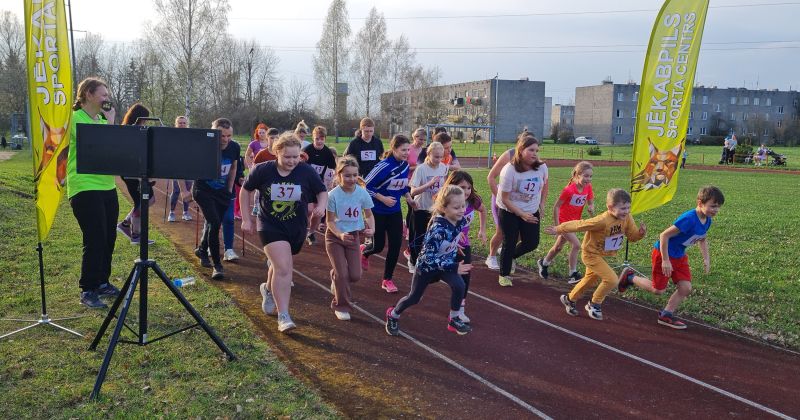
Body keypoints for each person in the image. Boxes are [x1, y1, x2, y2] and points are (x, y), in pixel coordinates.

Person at [240, 132, 327, 332]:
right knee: (284, 268)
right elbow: (245, 190)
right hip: (269, 225)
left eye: (295, 157)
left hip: (296, 226)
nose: (292, 161)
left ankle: (268, 289)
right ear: (277, 152)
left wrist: (321, 207)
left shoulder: (305, 171)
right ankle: (284, 316)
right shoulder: (263, 170)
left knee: (281, 265)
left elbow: (322, 191)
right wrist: (246, 218)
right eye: (287, 157)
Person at [618, 186, 724, 329]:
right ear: (700, 203)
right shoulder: (689, 219)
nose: (716, 210)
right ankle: (630, 278)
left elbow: (702, 239)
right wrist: (666, 260)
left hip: (680, 256)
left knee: (685, 288)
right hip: (664, 254)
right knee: (658, 290)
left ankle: (666, 314)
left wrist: (706, 258)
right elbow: (664, 235)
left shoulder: (707, 219)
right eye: (713, 206)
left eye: (718, 207)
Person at [384, 185, 473, 336]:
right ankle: (393, 314)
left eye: (463, 205)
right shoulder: (437, 229)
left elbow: (452, 236)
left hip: (445, 265)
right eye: (456, 207)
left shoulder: (460, 221)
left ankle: (454, 318)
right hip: (426, 268)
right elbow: (429, 258)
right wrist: (453, 266)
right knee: (414, 298)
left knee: (459, 285)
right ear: (444, 208)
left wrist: (455, 244)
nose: (462, 210)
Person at [545, 189, 646, 321]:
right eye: (622, 208)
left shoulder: (627, 218)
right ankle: (594, 304)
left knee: (590, 280)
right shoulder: (602, 221)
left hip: (600, 254)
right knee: (612, 279)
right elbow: (580, 224)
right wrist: (558, 228)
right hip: (590, 254)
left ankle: (570, 299)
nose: (626, 211)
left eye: (628, 207)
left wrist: (640, 234)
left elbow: (632, 237)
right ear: (610, 207)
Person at [66, 77, 121, 308]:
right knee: (95, 237)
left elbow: (115, 149)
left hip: (107, 186)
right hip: (84, 186)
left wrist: (110, 123)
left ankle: (102, 282)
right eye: (103, 95)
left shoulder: (101, 119)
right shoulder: (75, 119)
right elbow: (97, 146)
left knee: (109, 237)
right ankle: (88, 289)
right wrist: (110, 124)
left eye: (107, 95)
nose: (107, 99)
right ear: (88, 94)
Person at [361, 134, 416, 293]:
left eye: (408, 150)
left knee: (395, 245)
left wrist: (408, 198)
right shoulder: (383, 166)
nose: (406, 153)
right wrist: (382, 198)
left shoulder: (405, 166)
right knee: (378, 246)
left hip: (395, 212)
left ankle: (387, 279)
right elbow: (365, 186)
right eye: (403, 150)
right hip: (378, 211)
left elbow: (403, 186)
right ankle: (364, 252)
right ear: (394, 149)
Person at [325, 156, 375, 320]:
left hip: (353, 236)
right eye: (347, 175)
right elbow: (330, 221)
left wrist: (371, 228)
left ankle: (335, 276)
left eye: (354, 175)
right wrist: (339, 234)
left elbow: (368, 214)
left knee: (354, 275)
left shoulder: (362, 193)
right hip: (335, 237)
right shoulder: (332, 195)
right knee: (343, 275)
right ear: (339, 175)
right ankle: (341, 306)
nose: (351, 179)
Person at [496, 134, 549, 287]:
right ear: (521, 150)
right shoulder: (509, 170)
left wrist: (542, 203)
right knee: (510, 241)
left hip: (531, 209)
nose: (535, 154)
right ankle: (504, 274)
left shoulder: (542, 167)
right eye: (531, 150)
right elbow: (505, 198)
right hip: (509, 210)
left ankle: (509, 256)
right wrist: (521, 214)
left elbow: (545, 185)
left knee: (532, 242)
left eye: (537, 150)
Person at [192, 118, 239, 280]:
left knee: (214, 222)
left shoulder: (234, 147)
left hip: (222, 192)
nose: (225, 139)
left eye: (229, 135)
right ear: (214, 133)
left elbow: (233, 167)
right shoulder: (205, 147)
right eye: (222, 136)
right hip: (203, 190)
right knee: (214, 223)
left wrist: (229, 189)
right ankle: (217, 266)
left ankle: (202, 250)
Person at [538, 161, 595, 284]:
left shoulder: (588, 187)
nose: (588, 179)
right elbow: (556, 207)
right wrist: (558, 226)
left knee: (558, 247)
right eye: (586, 176)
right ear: (577, 175)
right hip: (564, 222)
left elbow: (590, 202)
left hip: (574, 223)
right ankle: (573, 273)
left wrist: (591, 207)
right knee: (576, 245)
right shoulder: (569, 190)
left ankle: (544, 263)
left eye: (590, 176)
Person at [443, 170, 487, 323]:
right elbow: (436, 221)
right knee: (433, 276)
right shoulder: (445, 202)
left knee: (465, 278)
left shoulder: (473, 201)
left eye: (469, 187)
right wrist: (453, 232)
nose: (467, 191)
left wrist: (482, 229)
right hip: (446, 247)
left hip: (464, 245)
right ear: (452, 186)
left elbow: (483, 210)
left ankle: (459, 309)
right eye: (462, 187)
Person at [116, 103, 156, 245]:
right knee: (142, 202)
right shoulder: (131, 131)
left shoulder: (135, 129)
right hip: (132, 173)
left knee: (147, 200)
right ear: (138, 117)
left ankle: (126, 224)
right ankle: (135, 235)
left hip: (136, 172)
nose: (146, 121)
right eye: (145, 118)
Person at [408, 142, 448, 271]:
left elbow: (444, 187)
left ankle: (428, 261)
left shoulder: (443, 168)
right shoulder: (421, 169)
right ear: (428, 154)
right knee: (418, 236)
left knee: (433, 237)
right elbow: (413, 192)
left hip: (436, 209)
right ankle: (413, 261)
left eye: (441, 157)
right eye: (436, 156)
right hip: (421, 208)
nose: (439, 160)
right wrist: (429, 184)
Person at [484, 142, 517, 270]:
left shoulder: (532, 157)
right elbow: (491, 177)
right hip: (501, 195)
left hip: (519, 199)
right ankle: (491, 257)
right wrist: (500, 199)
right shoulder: (509, 155)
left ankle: (505, 251)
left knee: (520, 231)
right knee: (501, 230)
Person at [303, 125, 337, 245]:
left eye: (322, 139)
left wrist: (331, 181)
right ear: (313, 138)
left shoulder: (327, 152)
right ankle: (302, 228)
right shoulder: (307, 150)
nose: (319, 141)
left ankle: (311, 233)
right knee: (308, 210)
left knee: (317, 211)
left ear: (325, 139)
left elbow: (333, 168)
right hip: (306, 184)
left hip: (319, 185)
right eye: (317, 138)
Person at [168, 116, 194, 222]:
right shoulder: (173, 136)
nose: (182, 124)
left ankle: (185, 212)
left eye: (184, 123)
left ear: (187, 124)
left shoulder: (190, 136)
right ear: (176, 124)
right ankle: (172, 212)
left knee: (187, 190)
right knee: (176, 190)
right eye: (180, 123)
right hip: (177, 167)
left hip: (188, 166)